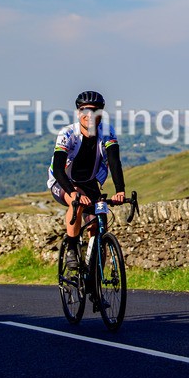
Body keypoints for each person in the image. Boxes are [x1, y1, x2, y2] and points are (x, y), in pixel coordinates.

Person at [48, 91, 126, 269]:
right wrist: (73, 192)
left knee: (100, 223)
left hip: (89, 182)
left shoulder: (107, 131)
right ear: (78, 113)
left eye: (95, 111)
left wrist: (120, 190)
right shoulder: (67, 134)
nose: (89, 115)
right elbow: (59, 169)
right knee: (78, 202)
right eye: (85, 110)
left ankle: (94, 274)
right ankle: (73, 248)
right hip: (62, 181)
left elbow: (114, 162)